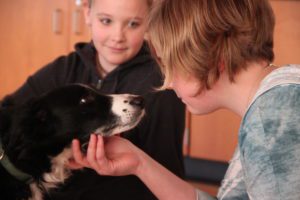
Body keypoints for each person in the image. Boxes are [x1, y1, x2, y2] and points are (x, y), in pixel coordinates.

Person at [70, 0, 300, 199]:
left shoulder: (271, 121)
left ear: (208, 56)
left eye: (169, 63)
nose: (168, 83)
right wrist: (138, 163)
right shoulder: (274, 104)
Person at [10, 0, 185, 199]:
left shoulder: (161, 86)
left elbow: (169, 176)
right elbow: (12, 114)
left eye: (133, 24)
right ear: (87, 13)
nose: (118, 36)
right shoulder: (64, 69)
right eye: (106, 21)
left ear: (149, 22)